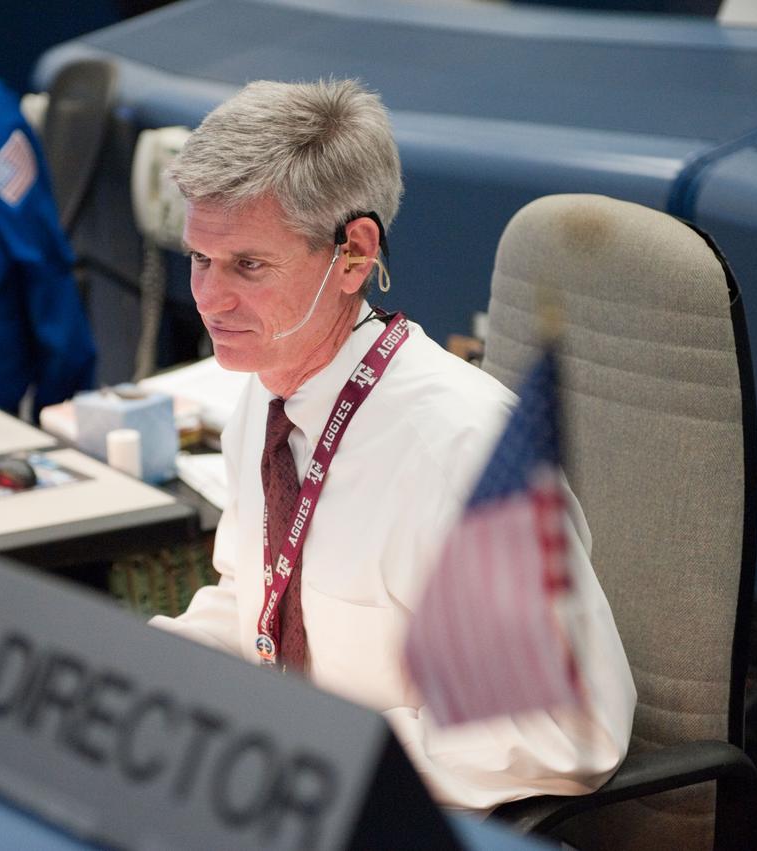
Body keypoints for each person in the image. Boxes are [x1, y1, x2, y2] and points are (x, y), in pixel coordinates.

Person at [150, 78, 636, 812]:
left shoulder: (462, 450)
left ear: (353, 255)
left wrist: (319, 756)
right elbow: (259, 604)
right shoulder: (268, 397)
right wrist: (142, 665)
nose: (209, 298)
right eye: (199, 259)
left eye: (248, 265)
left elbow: (565, 728)